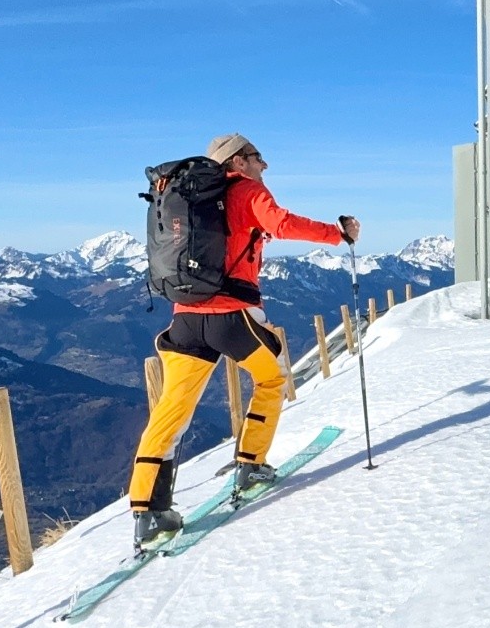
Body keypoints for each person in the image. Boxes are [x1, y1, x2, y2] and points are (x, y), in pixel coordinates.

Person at [129, 132, 360, 548]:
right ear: (238, 161)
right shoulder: (245, 191)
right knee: (272, 380)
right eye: (258, 157)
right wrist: (337, 234)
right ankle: (251, 463)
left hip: (185, 318)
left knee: (171, 411)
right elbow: (282, 224)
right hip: (231, 317)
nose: (264, 166)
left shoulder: (195, 202)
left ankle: (148, 510)